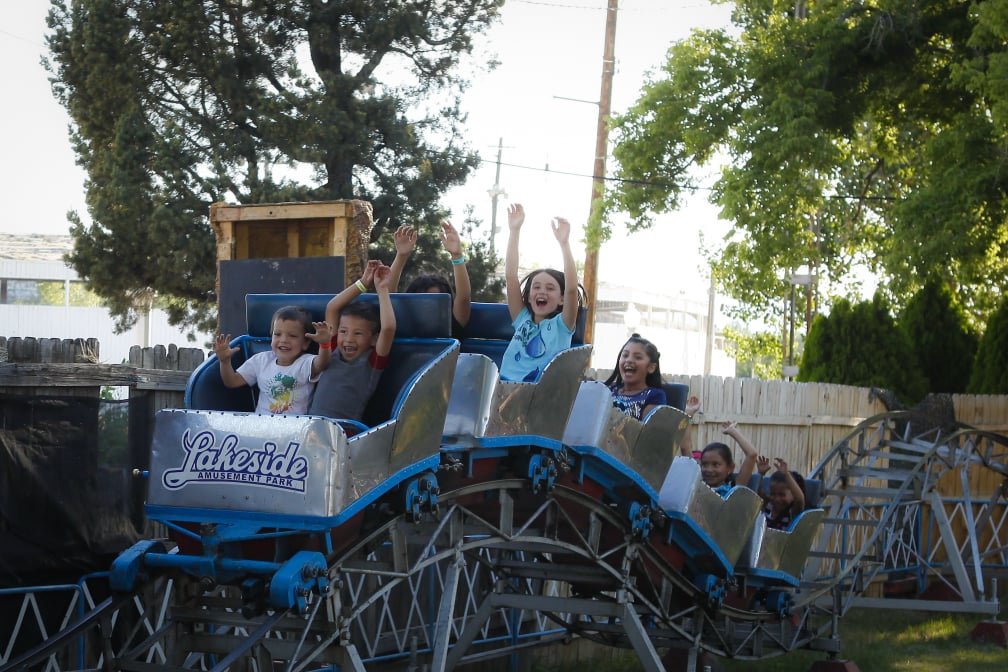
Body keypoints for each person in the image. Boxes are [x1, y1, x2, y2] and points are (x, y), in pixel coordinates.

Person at [500, 203, 583, 382]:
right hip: (505, 387)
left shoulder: (562, 326)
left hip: (539, 391)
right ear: (529, 297)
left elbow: (571, 290)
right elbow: (511, 276)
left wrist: (564, 244)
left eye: (550, 288)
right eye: (536, 287)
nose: (542, 291)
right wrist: (514, 231)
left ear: (561, 300)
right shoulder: (522, 318)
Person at [308, 260, 397, 422]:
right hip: (311, 426)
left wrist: (382, 289)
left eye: (358, 333)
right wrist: (363, 283)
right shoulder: (332, 349)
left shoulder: (372, 363)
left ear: (374, 339)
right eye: (343, 331)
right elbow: (332, 308)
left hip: (344, 431)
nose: (348, 339)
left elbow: (388, 328)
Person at [214, 305, 333, 415]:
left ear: (305, 343)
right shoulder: (261, 360)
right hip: (262, 425)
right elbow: (231, 381)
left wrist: (324, 345)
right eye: (277, 334)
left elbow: (322, 363)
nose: (284, 340)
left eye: (292, 336)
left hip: (295, 427)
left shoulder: (305, 362)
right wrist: (224, 361)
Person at [387, 221, 471, 339]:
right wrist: (401, 256)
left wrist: (457, 255)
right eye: (422, 300)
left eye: (435, 300)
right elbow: (387, 295)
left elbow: (464, 297)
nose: (428, 305)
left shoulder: (452, 323)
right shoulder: (403, 322)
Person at [604, 333, 667, 420]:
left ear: (651, 367)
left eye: (638, 357)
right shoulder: (607, 391)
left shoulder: (655, 396)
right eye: (625, 355)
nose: (629, 360)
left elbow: (647, 428)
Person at [698, 421, 759, 498]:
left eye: (716, 465)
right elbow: (685, 448)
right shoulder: (696, 488)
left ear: (730, 468)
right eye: (705, 464)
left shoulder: (734, 491)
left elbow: (752, 454)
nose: (709, 470)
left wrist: (732, 431)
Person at [755, 456, 807, 530]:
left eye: (782, 494)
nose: (777, 499)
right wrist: (761, 474)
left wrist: (786, 474)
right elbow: (757, 494)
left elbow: (800, 499)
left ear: (793, 494)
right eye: (773, 494)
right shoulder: (768, 505)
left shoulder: (792, 512)